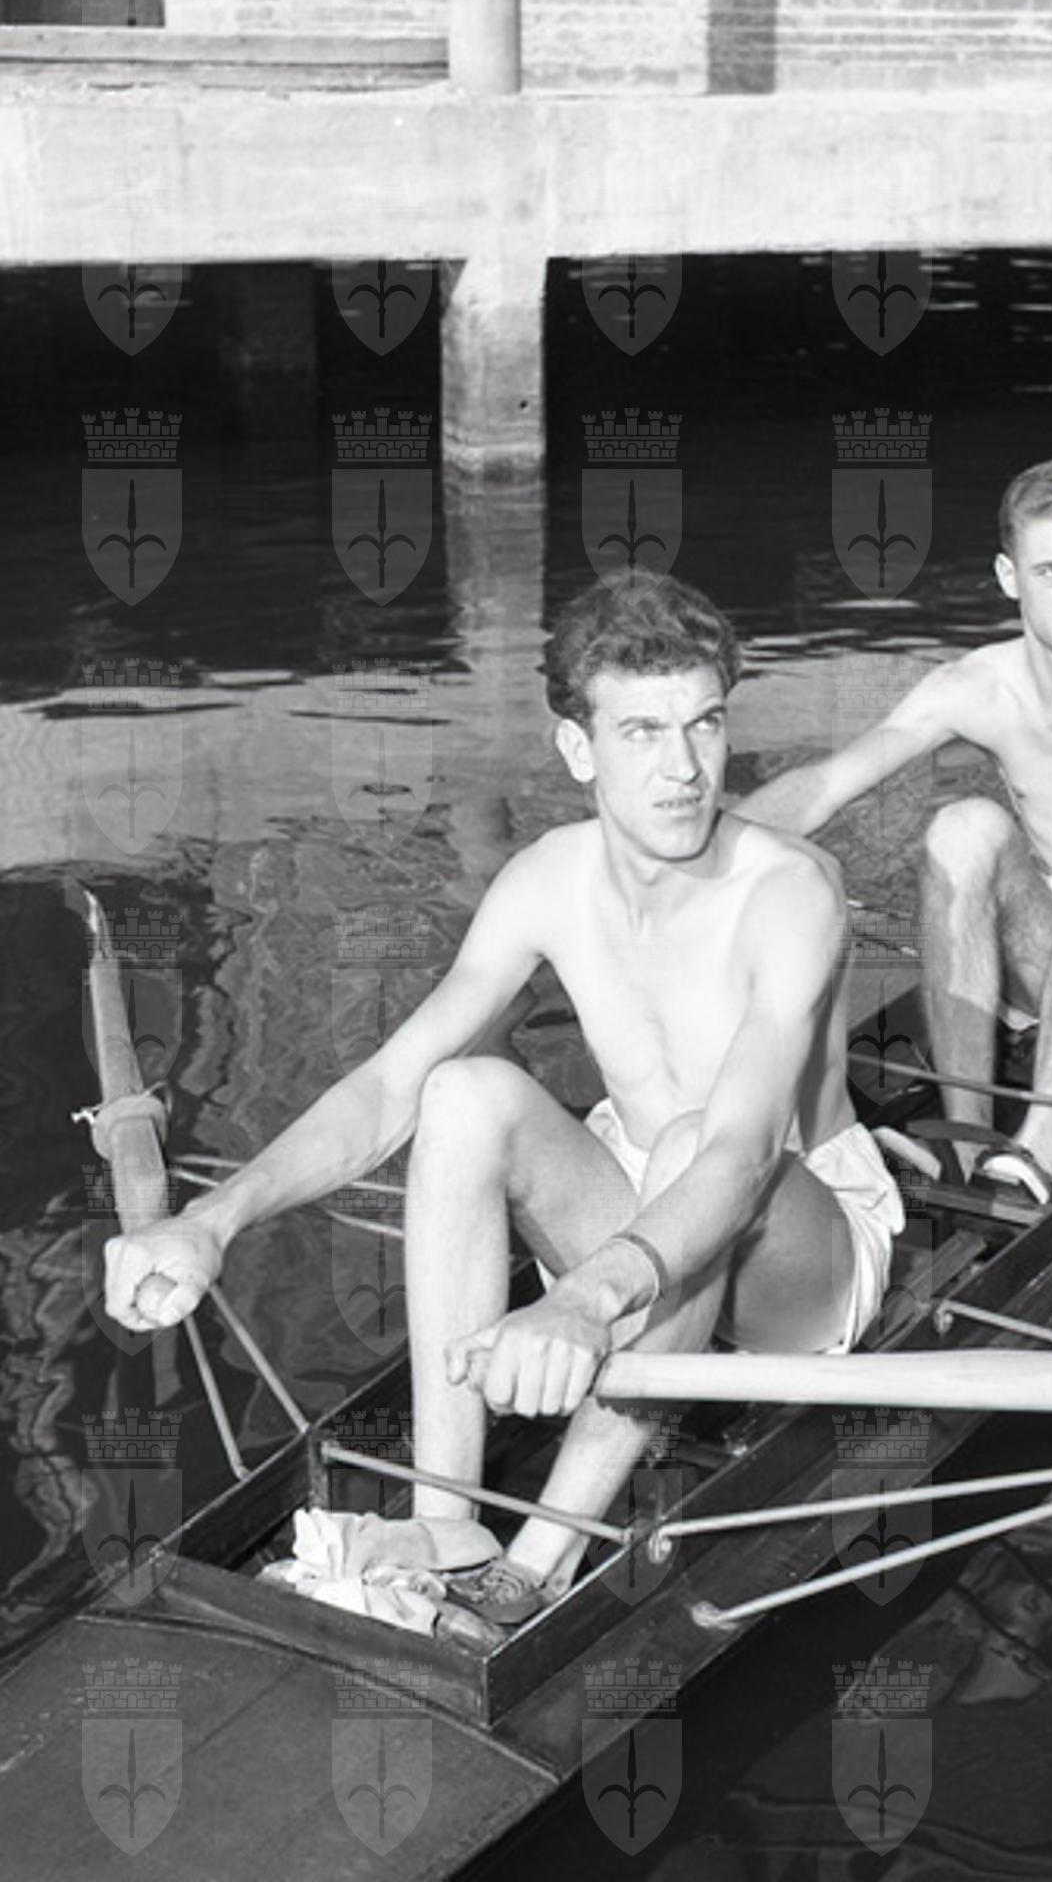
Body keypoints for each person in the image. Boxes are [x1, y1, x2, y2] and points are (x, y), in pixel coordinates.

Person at [104, 574, 904, 1627]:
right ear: (578, 748)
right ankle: (448, 1522)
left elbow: (739, 1156)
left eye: (704, 724)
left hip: (799, 1251)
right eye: (643, 731)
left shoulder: (789, 890)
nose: (684, 768)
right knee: (464, 1091)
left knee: (688, 1144)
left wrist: (581, 1300)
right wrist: (213, 1220)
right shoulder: (545, 879)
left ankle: (535, 1567)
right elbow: (388, 1086)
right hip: (637, 1209)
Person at [739, 458, 1052, 1206]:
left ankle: (1039, 1149)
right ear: (1010, 577)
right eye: (1051, 572)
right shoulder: (977, 686)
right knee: (963, 828)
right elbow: (829, 784)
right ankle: (967, 1140)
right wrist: (682, 844)